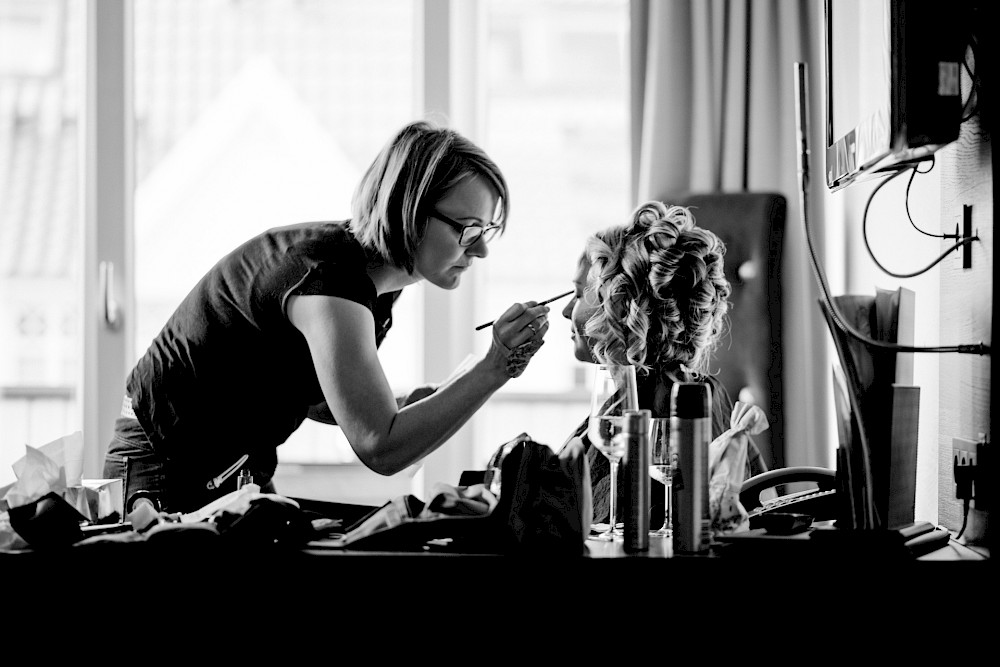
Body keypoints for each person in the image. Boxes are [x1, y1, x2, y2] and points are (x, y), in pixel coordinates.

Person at [105, 119, 551, 515]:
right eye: (467, 228)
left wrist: (420, 399)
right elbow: (381, 447)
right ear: (411, 211)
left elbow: (319, 398)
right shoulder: (331, 281)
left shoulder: (367, 279)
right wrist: (495, 367)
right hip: (167, 462)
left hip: (227, 463)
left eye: (488, 230)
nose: (481, 248)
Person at [558, 200, 767, 527]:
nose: (566, 311)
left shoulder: (679, 412)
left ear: (618, 304)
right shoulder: (638, 399)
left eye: (576, 292)